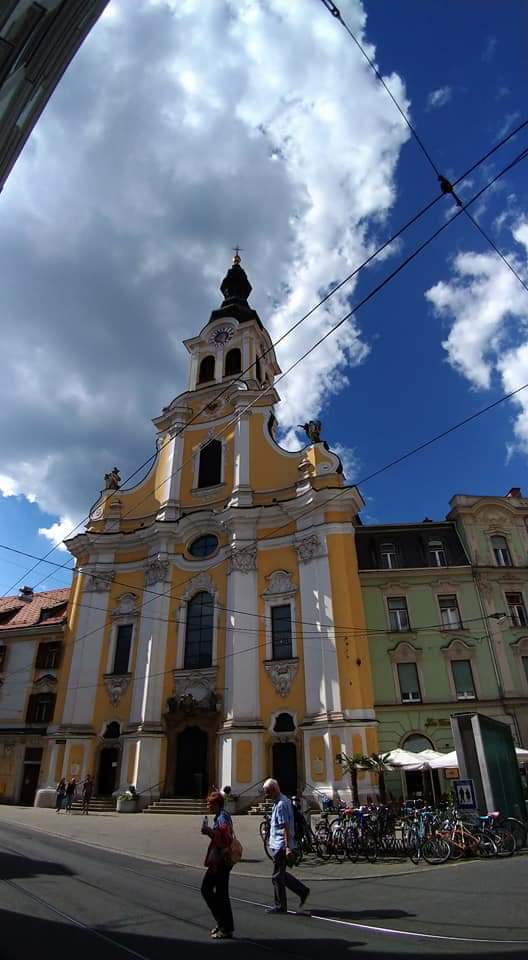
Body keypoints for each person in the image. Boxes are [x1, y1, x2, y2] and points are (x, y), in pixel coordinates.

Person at [262, 778, 310, 915]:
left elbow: (286, 827)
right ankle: (302, 890)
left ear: (273, 790)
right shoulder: (280, 801)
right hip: (279, 843)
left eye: (267, 792)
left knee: (277, 876)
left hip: (282, 845)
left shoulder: (282, 804)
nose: (266, 796)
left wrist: (288, 847)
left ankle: (281, 906)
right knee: (280, 874)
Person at [200, 790, 235, 940]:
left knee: (208, 890)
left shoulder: (221, 818)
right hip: (221, 860)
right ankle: (224, 924)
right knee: (220, 894)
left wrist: (209, 832)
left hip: (220, 861)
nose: (208, 805)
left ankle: (224, 925)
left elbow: (224, 839)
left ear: (217, 804)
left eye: (210, 803)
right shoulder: (223, 815)